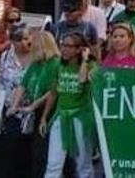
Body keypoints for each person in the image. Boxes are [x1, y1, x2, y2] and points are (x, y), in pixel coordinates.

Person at [39, 32, 95, 178]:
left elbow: (82, 80)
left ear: (79, 49)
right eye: (62, 45)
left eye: (69, 46)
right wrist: (44, 117)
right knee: (53, 164)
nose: (63, 49)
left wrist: (85, 60)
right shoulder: (58, 65)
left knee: (83, 164)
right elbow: (54, 92)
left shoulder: (91, 66)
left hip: (81, 118)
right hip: (61, 116)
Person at [7, 31, 59, 175]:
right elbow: (22, 85)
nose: (30, 48)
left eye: (33, 45)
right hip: (34, 110)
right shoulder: (35, 65)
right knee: (34, 151)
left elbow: (52, 91)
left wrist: (33, 105)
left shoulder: (55, 64)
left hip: (50, 110)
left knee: (44, 151)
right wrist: (14, 105)